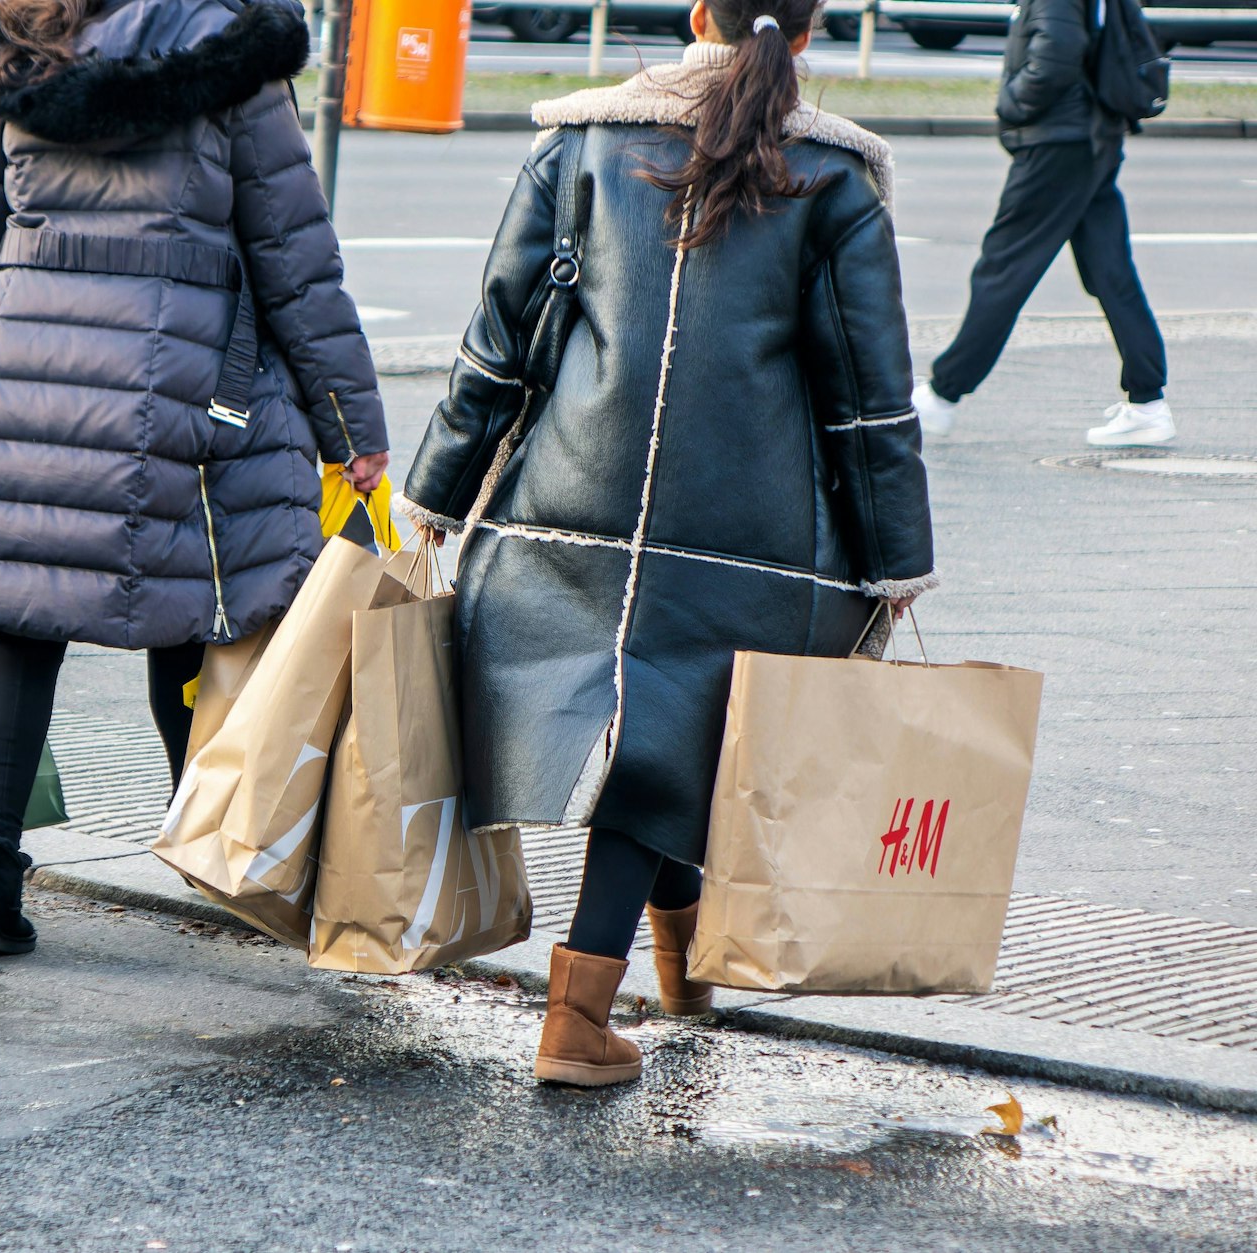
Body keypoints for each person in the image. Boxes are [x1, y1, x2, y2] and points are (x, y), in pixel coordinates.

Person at [401, 0, 936, 1087]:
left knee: (650, 733)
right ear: (808, 33)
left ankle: (678, 965)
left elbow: (499, 345)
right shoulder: (832, 178)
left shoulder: (581, 145)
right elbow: (865, 396)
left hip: (566, 507)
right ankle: (578, 1017)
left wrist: (436, 494)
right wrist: (893, 559)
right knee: (671, 729)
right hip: (753, 541)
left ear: (695, 14)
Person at [0, 0, 390, 958]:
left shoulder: (11, 44)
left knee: (21, 624)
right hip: (184, 391)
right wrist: (351, 427)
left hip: (23, 385)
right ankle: (218, 855)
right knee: (196, 618)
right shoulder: (232, 49)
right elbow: (295, 262)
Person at [913, 0, 1172, 447]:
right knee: (1110, 271)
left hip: (1058, 142)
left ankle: (942, 395)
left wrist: (1011, 104)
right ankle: (1148, 402)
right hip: (1092, 133)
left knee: (1004, 269)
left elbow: (1057, 53)